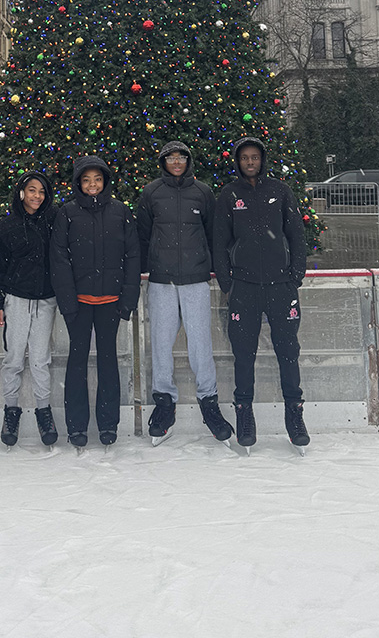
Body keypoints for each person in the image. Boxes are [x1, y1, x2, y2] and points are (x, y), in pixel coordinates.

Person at [213, 137, 310, 450]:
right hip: (244, 288)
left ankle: (294, 415)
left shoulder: (280, 191)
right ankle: (244, 415)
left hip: (281, 287)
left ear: (262, 160)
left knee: (288, 352)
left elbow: (296, 232)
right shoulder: (229, 195)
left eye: (255, 157)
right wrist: (228, 283)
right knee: (243, 355)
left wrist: (296, 274)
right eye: (245, 158)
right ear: (238, 162)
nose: (250, 162)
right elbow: (219, 241)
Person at [136, 141, 232, 444]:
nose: (176, 162)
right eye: (170, 158)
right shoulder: (151, 193)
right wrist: (143, 269)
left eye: (181, 157)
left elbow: (213, 232)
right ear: (163, 162)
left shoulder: (202, 192)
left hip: (195, 279)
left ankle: (209, 401)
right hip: (162, 281)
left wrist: (217, 269)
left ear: (188, 161)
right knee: (161, 343)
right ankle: (164, 403)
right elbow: (142, 234)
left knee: (200, 343)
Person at [50, 156, 140, 448]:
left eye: (97, 179)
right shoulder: (67, 213)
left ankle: (107, 424)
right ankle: (76, 426)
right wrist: (67, 302)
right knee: (76, 363)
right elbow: (59, 260)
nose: (92, 185)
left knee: (108, 362)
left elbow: (132, 257)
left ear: (105, 182)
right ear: (79, 183)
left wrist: (128, 299)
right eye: (87, 180)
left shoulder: (120, 212)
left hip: (110, 302)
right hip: (78, 303)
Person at [0, 171, 59, 447]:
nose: (37, 196)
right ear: (22, 192)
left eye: (41, 191)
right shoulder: (7, 227)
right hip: (15, 300)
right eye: (32, 190)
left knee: (41, 359)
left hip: (46, 300)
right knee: (14, 359)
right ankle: (11, 411)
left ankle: (44, 412)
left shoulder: (54, 221)